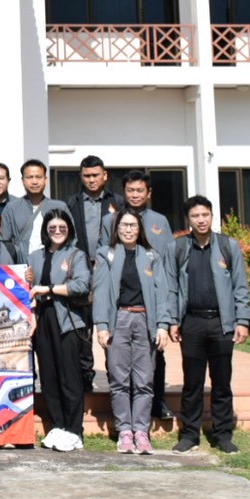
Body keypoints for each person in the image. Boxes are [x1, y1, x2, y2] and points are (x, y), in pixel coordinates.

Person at [169, 195, 250, 455]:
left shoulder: (229, 246)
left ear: (212, 216)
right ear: (188, 220)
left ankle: (223, 434)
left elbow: (241, 286)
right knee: (192, 382)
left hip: (221, 324)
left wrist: (243, 320)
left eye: (205, 215)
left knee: (221, 381)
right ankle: (190, 434)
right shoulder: (180, 248)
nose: (201, 220)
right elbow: (171, 287)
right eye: (195, 216)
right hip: (191, 322)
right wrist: (173, 320)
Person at [93, 211, 175, 455]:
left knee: (144, 379)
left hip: (144, 320)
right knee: (119, 379)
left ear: (140, 229)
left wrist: (162, 324)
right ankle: (125, 431)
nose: (128, 230)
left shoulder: (151, 256)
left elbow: (163, 293)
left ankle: (141, 430)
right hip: (118, 319)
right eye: (124, 225)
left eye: (133, 225)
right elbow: (100, 292)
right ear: (116, 228)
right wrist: (101, 325)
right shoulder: (105, 254)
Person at [27, 210, 91, 452]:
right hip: (42, 320)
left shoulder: (76, 255)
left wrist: (49, 289)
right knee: (50, 376)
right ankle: (59, 425)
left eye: (61, 227)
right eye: (52, 227)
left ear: (69, 229)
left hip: (68, 321)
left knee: (70, 377)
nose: (57, 231)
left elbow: (82, 285)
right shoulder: (34, 256)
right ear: (45, 230)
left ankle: (75, 430)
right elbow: (28, 287)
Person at [120, 170, 178, 422]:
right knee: (123, 355)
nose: (135, 195)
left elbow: (166, 261)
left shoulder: (159, 221)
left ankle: (158, 400)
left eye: (139, 190)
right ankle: (127, 404)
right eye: (131, 190)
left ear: (148, 193)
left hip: (152, 297)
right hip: (124, 296)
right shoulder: (115, 219)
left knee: (156, 351)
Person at [65, 155, 124, 393]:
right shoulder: (71, 202)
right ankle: (86, 378)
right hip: (81, 270)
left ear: (105, 175)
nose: (91, 180)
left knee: (112, 324)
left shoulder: (118, 202)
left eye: (95, 175)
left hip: (110, 271)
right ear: (81, 177)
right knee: (83, 328)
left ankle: (116, 379)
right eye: (87, 176)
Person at [4, 159, 72, 259]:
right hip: (22, 267)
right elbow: (4, 242)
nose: (34, 181)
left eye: (38, 177)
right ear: (22, 180)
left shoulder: (60, 207)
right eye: (30, 177)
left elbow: (72, 238)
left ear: (46, 179)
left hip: (53, 266)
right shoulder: (11, 208)